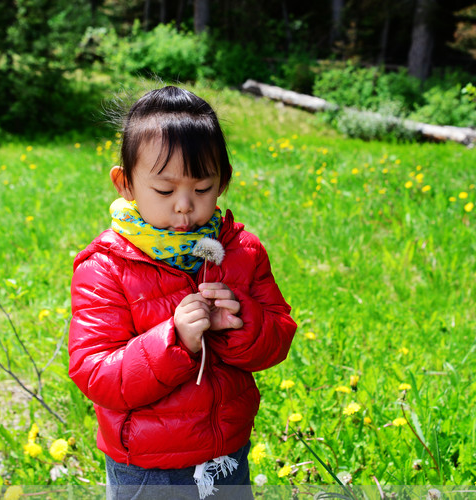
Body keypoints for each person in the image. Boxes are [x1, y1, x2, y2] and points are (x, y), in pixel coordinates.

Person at [68, 86, 297, 500]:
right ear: (125, 183)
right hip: (145, 467)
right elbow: (95, 373)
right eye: (165, 190)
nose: (185, 206)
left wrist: (242, 322)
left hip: (226, 453)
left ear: (223, 181)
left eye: (202, 188)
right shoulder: (105, 267)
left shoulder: (242, 253)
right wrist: (174, 340)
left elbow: (278, 338)